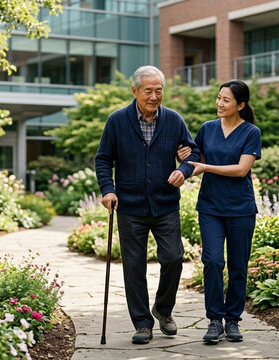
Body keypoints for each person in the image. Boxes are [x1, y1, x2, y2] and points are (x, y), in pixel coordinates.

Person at [95, 65, 200, 345]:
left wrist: (186, 167)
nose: (154, 96)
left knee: (174, 258)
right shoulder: (117, 121)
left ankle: (162, 310)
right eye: (148, 91)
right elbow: (103, 159)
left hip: (165, 204)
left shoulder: (174, 120)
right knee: (134, 266)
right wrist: (108, 190)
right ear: (135, 91)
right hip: (129, 206)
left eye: (159, 90)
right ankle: (142, 323)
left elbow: (194, 152)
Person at [180, 79, 261, 344]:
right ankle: (215, 320)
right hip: (211, 208)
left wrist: (206, 167)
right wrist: (184, 158)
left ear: (240, 105)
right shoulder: (207, 129)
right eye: (218, 98)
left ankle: (233, 320)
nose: (220, 103)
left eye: (226, 100)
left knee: (238, 266)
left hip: (241, 210)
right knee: (213, 261)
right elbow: (195, 160)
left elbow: (241, 170)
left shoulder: (251, 132)